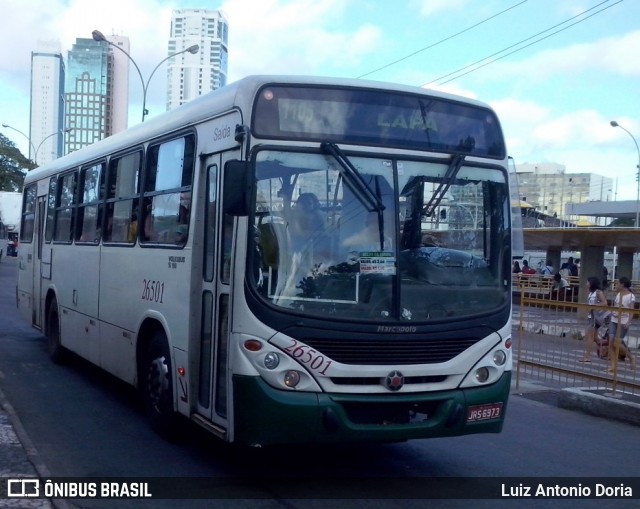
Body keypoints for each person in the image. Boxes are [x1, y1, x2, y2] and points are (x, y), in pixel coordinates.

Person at [607, 276, 636, 371]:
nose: (616, 285)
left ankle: (631, 356)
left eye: (618, 283)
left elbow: (631, 310)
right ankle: (613, 366)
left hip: (623, 322)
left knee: (616, 342)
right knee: (611, 343)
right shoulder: (618, 294)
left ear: (622, 284)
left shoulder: (630, 296)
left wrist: (629, 321)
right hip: (614, 320)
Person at [579, 276, 608, 363]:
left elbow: (604, 303)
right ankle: (607, 347)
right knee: (595, 338)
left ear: (591, 283)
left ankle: (587, 356)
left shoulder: (598, 292)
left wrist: (593, 306)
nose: (586, 284)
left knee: (589, 337)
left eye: (587, 282)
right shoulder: (590, 292)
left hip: (595, 317)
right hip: (590, 316)